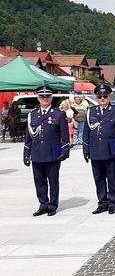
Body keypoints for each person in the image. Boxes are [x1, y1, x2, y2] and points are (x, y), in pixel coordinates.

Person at [23, 86, 70, 216]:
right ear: (38, 98)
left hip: (53, 153)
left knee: (53, 181)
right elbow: (28, 138)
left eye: (47, 96)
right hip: (36, 153)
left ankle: (52, 205)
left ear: (51, 98)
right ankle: (43, 204)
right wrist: (26, 154)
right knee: (39, 181)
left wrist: (65, 151)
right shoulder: (32, 115)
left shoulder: (59, 114)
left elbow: (64, 135)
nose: (45, 99)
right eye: (42, 96)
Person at [83, 84, 115, 215]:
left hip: (111, 150)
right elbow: (86, 133)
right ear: (96, 97)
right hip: (95, 149)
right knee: (98, 178)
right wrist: (86, 150)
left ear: (109, 96)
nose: (102, 98)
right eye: (100, 96)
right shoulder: (91, 111)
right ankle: (102, 202)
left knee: (112, 178)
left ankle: (113, 202)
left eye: (105, 96)